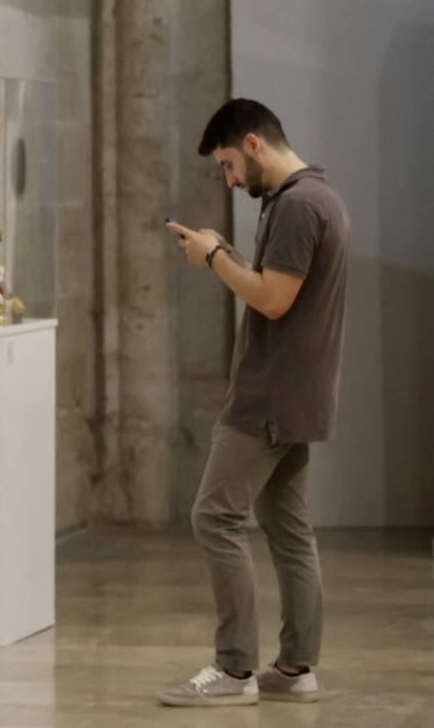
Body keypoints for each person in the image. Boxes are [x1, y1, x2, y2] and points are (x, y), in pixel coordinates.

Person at [159, 99, 350, 707]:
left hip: (267, 398)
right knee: (287, 529)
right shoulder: (315, 199)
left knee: (213, 518)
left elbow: (271, 300)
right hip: (297, 394)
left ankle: (234, 671)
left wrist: (214, 257)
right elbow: (278, 288)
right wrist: (224, 251)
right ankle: (296, 670)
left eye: (228, 165)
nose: (230, 179)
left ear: (254, 143)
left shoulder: (297, 205)